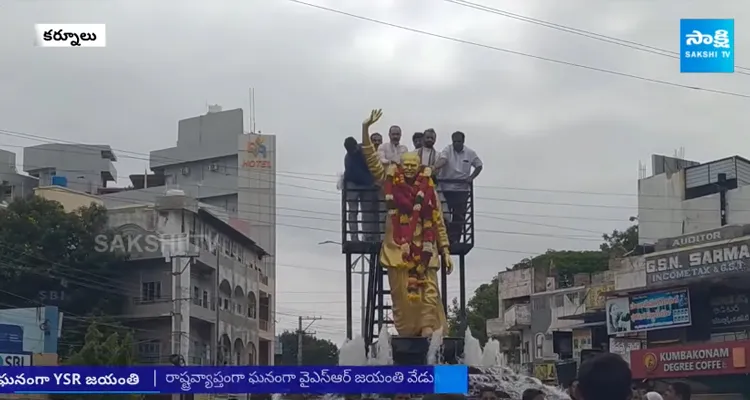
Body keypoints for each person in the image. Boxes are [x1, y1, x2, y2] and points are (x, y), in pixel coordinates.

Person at [361, 109, 452, 337]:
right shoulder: (391, 181)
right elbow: (372, 162)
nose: (410, 167)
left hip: (426, 250)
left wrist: (446, 251)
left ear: (419, 166)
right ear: (401, 166)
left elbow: (438, 221)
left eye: (414, 164)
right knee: (401, 300)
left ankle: (429, 334)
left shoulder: (428, 190)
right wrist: (365, 129)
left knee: (429, 294)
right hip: (397, 251)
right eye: (406, 164)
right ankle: (409, 340)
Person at [435, 131, 483, 243]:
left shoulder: (470, 153)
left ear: (463, 141)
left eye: (459, 141)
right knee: (444, 215)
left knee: (459, 216)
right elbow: (443, 159)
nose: (456, 143)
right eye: (454, 141)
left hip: (461, 190)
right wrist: (434, 167)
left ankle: (455, 240)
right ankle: (444, 239)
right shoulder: (447, 150)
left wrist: (471, 177)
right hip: (446, 189)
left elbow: (479, 165)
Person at [343, 137, 377, 241]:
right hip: (353, 184)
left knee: (366, 211)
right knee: (353, 211)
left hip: (366, 184)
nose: (352, 151)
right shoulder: (348, 157)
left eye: (353, 149)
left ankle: (367, 236)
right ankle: (354, 237)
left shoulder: (365, 150)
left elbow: (371, 166)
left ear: (356, 145)